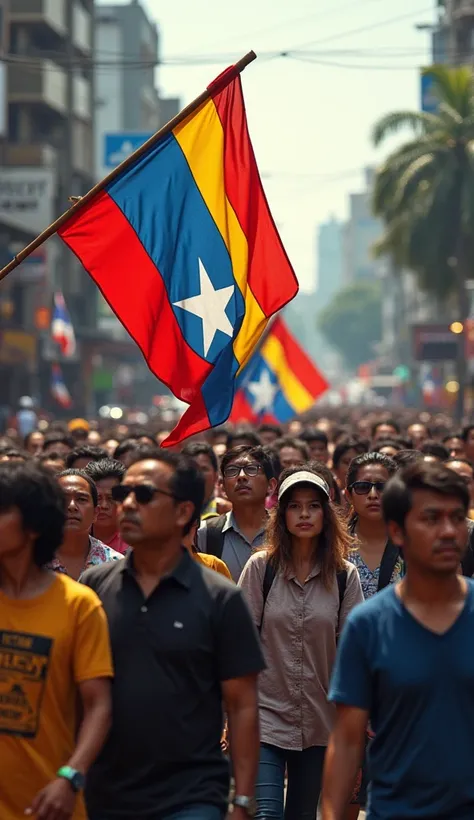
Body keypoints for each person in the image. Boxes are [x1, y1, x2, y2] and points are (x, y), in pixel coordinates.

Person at [81, 449, 265, 820]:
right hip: (106, 792)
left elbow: (243, 705)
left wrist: (242, 800)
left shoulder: (221, 598)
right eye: (122, 495)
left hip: (191, 795)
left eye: (144, 495)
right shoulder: (94, 586)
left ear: (184, 512)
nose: (128, 505)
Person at [322, 462, 474, 820]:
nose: (449, 532)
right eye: (431, 519)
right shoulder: (368, 625)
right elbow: (346, 740)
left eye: (457, 518)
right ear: (397, 531)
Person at [239, 466, 363, 820]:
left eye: (313, 506)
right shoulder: (261, 568)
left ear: (327, 513)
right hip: (265, 715)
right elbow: (240, 644)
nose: (305, 514)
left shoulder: (343, 575)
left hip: (321, 720)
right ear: (282, 515)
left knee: (302, 815)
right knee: (265, 814)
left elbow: (351, 652)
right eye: (295, 506)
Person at [0, 461, 113, 820]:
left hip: (50, 803)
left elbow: (98, 705)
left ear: (33, 525)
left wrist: (70, 777)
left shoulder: (78, 604)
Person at [197, 445, 276, 582]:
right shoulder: (205, 534)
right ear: (222, 487)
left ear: (271, 486)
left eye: (251, 469)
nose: (241, 477)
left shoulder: (284, 532)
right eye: (232, 471)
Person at [48, 469, 123, 579]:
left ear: (95, 513)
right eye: (63, 499)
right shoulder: (30, 562)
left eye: (81, 499)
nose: (72, 506)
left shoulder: (114, 566)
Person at [346, 453, 402, 599]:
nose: (372, 495)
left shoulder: (412, 545)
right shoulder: (333, 545)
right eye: (363, 487)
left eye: (381, 487)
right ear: (349, 495)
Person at [85, 459, 130, 554]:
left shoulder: (136, 542)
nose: (103, 506)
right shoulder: (72, 538)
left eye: (111, 498)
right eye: (98, 498)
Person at [182, 441, 232, 519]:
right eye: (192, 469)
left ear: (215, 476)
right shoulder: (171, 513)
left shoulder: (230, 513)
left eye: (203, 469)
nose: (198, 475)